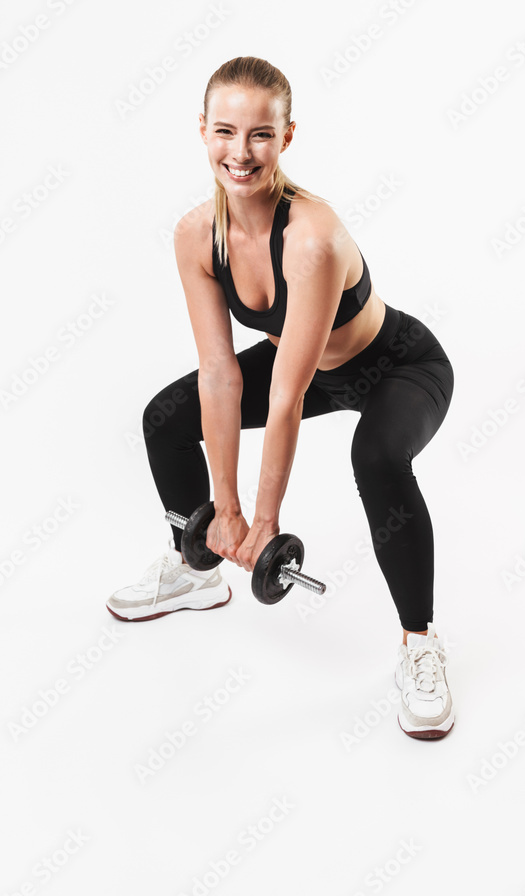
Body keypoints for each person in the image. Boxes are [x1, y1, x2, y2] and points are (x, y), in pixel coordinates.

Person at [106, 56, 456, 740]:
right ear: (202, 130)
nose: (240, 153)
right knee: (165, 419)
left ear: (286, 137)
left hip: (396, 366)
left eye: (260, 135)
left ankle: (420, 645)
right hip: (307, 369)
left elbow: (289, 395)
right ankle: (193, 567)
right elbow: (219, 374)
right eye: (225, 132)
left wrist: (262, 525)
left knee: (378, 458)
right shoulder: (194, 236)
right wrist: (223, 518)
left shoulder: (311, 238)